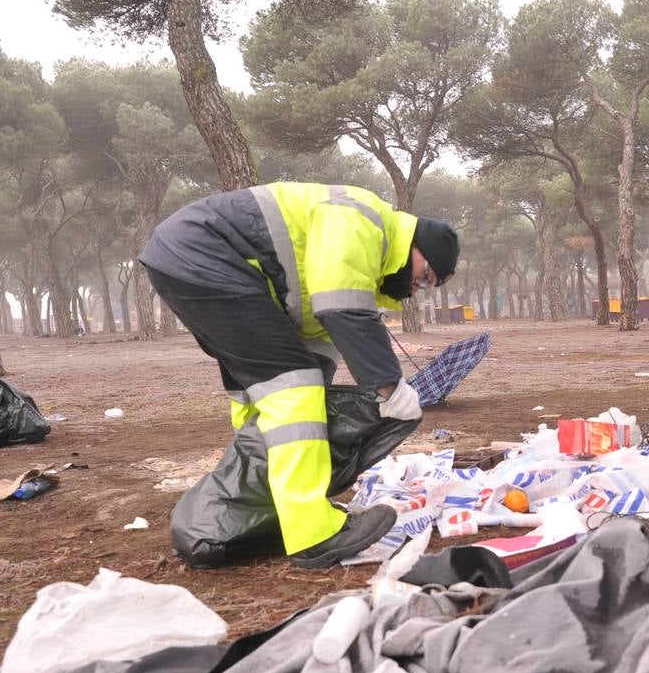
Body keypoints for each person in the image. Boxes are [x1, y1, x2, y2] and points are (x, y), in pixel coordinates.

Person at [139, 182, 459, 568]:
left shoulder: (352, 268)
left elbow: (317, 340)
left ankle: (259, 514)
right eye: (425, 276)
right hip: (206, 251)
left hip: (191, 258)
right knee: (293, 387)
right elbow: (342, 308)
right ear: (415, 245)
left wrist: (326, 395)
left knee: (269, 397)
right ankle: (313, 534)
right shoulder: (365, 218)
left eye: (428, 288)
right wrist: (390, 387)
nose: (417, 288)